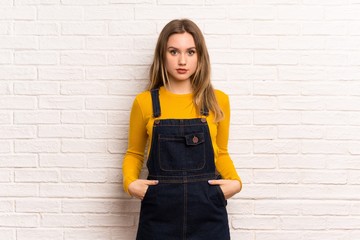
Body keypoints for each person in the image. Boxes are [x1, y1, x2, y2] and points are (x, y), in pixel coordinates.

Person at [122, 18, 242, 240]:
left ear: (200, 56)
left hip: (207, 211)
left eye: (190, 52)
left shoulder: (217, 101)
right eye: (174, 51)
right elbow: (134, 153)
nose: (182, 61)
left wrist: (235, 183)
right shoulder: (144, 102)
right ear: (162, 55)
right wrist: (130, 184)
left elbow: (221, 153)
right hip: (159, 212)